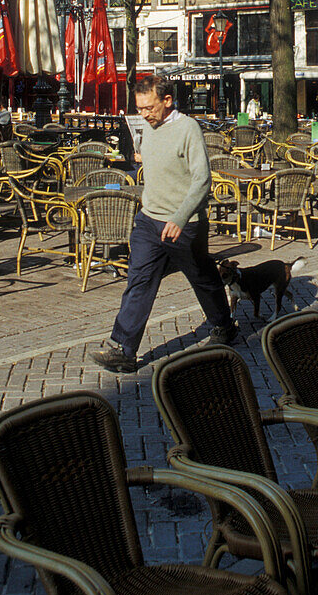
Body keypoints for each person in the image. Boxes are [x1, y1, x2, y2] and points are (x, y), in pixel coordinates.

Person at [90, 74, 237, 373]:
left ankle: (224, 325)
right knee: (139, 280)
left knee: (203, 278)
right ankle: (123, 349)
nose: (143, 114)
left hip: (184, 223)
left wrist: (180, 217)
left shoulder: (188, 129)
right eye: (139, 108)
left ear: (167, 101)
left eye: (149, 107)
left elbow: (202, 180)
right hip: (149, 219)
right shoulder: (147, 125)